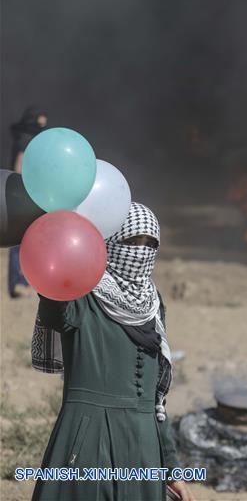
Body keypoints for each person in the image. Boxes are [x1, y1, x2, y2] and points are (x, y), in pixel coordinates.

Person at [30, 203, 194, 501]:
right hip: (89, 442)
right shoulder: (81, 293)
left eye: (150, 245)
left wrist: (170, 468)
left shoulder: (152, 304)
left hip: (144, 448)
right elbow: (54, 305)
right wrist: (54, 243)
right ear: (109, 241)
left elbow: (157, 402)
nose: (141, 252)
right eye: (132, 242)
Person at [8, 107, 47, 298]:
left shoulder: (21, 137)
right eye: (40, 124)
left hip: (17, 194)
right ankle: (19, 282)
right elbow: (19, 168)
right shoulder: (25, 141)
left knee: (22, 240)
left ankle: (20, 281)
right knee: (21, 240)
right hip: (22, 195)